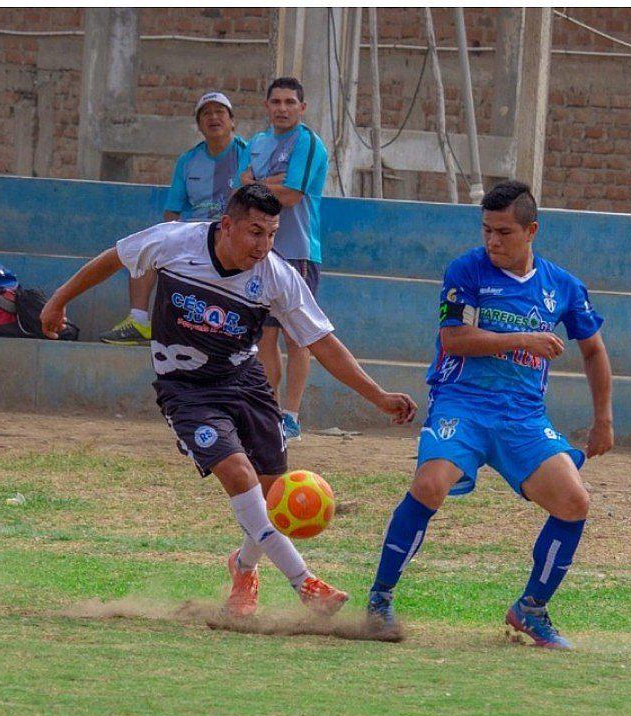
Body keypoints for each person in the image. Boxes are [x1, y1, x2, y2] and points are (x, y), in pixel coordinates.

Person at [40, 183, 417, 619]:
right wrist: (57, 300)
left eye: (273, 234)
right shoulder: (174, 241)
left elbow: (322, 343)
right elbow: (114, 258)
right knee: (239, 474)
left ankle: (243, 568)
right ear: (227, 226)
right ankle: (305, 583)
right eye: (256, 232)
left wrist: (378, 396)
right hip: (186, 389)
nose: (265, 245)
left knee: (274, 491)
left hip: (245, 382)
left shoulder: (276, 276)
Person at [363, 180, 613, 650]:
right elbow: (455, 339)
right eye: (487, 231)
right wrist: (523, 340)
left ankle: (531, 610)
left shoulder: (562, 285)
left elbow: (594, 351)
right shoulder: (467, 270)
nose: (493, 242)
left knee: (574, 503)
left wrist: (604, 420)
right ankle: (380, 599)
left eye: (503, 232)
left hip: (522, 417)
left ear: (531, 231)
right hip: (463, 402)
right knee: (430, 485)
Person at [102, 91, 248, 346]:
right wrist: (167, 238)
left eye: (219, 112)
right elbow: (173, 211)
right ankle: (138, 320)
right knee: (146, 246)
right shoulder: (188, 160)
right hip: (194, 235)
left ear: (232, 120)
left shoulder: (247, 154)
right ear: (199, 125)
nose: (213, 118)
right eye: (206, 114)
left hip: (230, 235)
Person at [239, 76, 329, 440]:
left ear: (302, 108)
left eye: (290, 102)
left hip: (298, 253)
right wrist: (267, 182)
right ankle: (267, 412)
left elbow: (291, 194)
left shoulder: (309, 142)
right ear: (267, 106)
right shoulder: (257, 142)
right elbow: (239, 186)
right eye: (276, 102)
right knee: (265, 337)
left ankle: (290, 416)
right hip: (260, 252)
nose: (282, 108)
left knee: (298, 338)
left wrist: (259, 184)